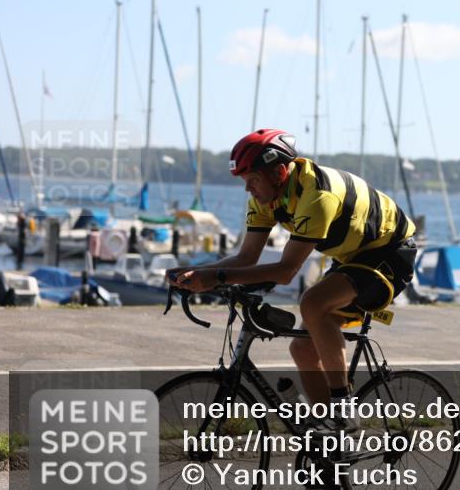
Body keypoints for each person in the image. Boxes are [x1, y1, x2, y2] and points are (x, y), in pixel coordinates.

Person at [171, 128, 417, 427]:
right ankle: (327, 438)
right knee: (301, 348)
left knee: (312, 303)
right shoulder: (265, 199)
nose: (248, 189)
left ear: (279, 172)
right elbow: (246, 258)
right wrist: (197, 273)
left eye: (253, 180)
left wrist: (217, 278)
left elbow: (286, 271)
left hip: (390, 252)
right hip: (352, 257)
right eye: (244, 181)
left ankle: (342, 408)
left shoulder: (317, 196)